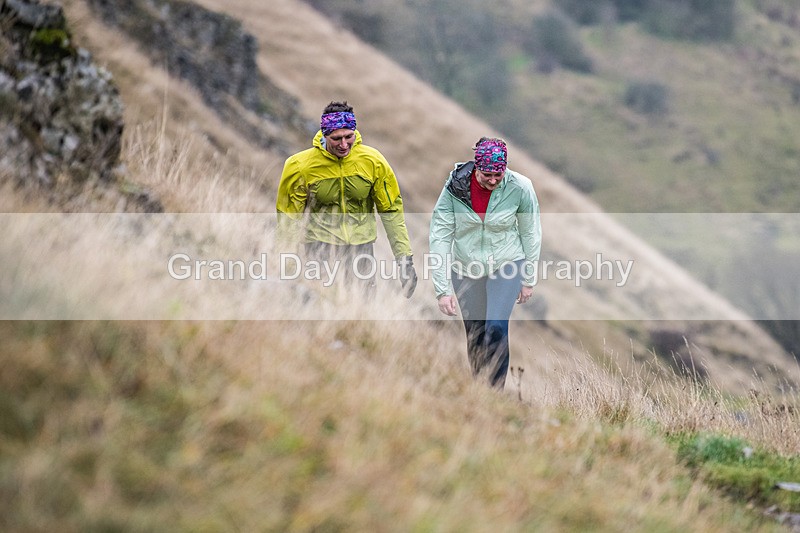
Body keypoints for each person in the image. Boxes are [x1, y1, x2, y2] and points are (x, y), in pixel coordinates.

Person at [429, 137, 541, 388]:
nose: (492, 180)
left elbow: (531, 233)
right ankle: (480, 388)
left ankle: (496, 393)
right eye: (487, 175)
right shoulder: (455, 187)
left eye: (498, 175)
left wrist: (528, 279)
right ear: (476, 168)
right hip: (465, 267)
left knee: (496, 328)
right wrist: (442, 289)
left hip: (507, 263)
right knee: (476, 334)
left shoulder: (520, 187)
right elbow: (440, 235)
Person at [276, 101, 417, 296]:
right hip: (319, 250)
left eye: (348, 137)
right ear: (325, 136)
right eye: (336, 139)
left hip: (361, 252)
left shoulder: (373, 161)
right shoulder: (300, 165)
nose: (344, 145)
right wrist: (286, 262)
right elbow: (289, 218)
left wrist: (404, 260)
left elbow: (391, 211)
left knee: (364, 313)